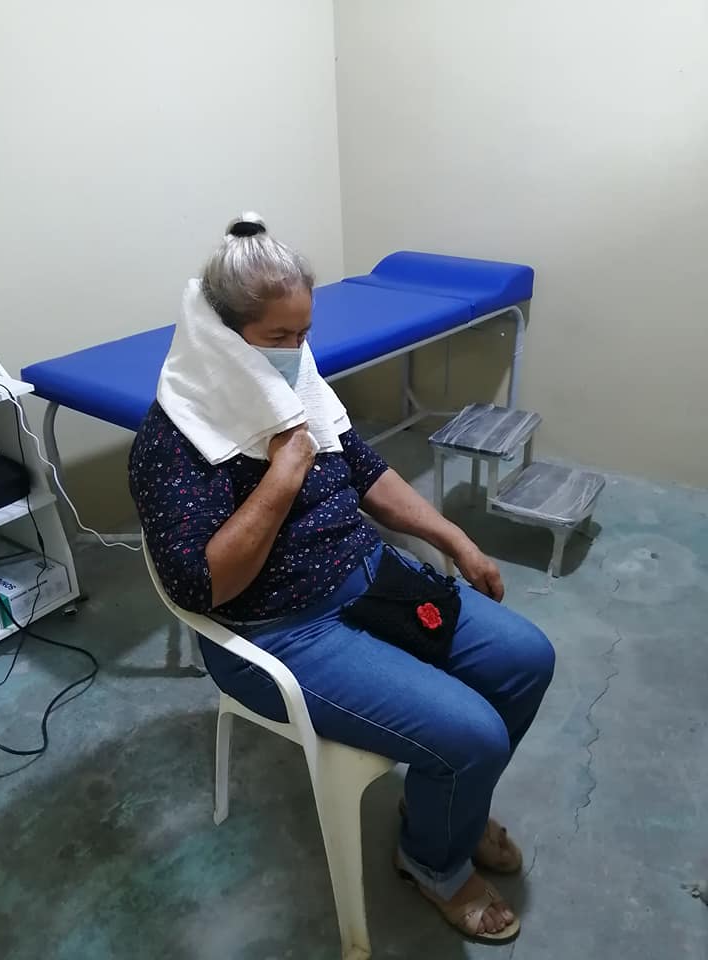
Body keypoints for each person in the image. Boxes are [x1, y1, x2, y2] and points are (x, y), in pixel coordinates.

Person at [129, 213, 555, 945]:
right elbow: (204, 589)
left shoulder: (295, 386)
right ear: (222, 335)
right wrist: (283, 474)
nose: (297, 352)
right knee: (475, 735)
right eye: (278, 336)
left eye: (304, 333)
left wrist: (457, 540)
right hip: (283, 634)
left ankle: (445, 810)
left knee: (527, 659)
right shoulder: (173, 442)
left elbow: (365, 471)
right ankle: (434, 864)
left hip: (369, 576)